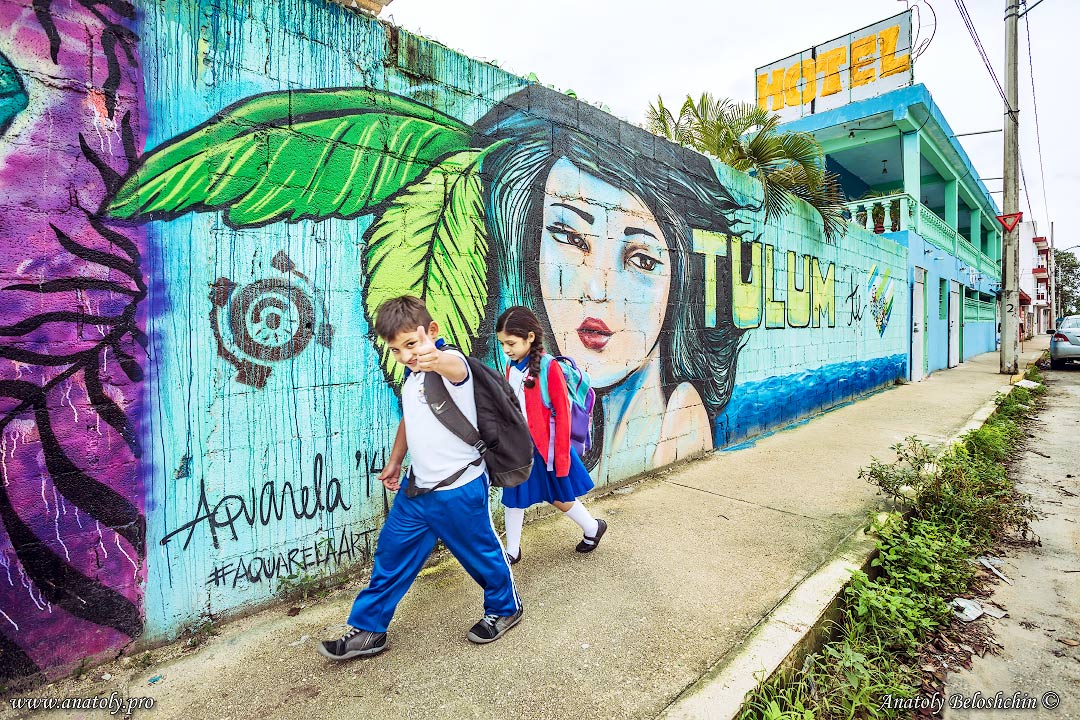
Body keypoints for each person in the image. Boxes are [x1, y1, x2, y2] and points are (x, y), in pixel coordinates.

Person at [475, 86, 756, 484]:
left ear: (679, 286)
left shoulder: (681, 421)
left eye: (642, 259)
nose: (598, 288)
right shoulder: (593, 425)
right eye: (570, 238)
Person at [318, 295, 521, 660]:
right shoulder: (413, 378)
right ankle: (369, 630)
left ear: (431, 332)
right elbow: (411, 420)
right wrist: (396, 461)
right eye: (396, 350)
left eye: (410, 344)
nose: (405, 355)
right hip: (416, 491)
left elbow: (454, 367)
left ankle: (505, 608)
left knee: (482, 555)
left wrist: (433, 357)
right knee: (391, 556)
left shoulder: (452, 364)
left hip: (459, 490)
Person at [495, 306, 607, 564]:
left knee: (560, 497)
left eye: (511, 343)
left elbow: (563, 415)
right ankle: (512, 551)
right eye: (502, 343)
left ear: (530, 338)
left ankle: (592, 528)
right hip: (519, 447)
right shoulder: (511, 366)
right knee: (513, 497)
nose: (506, 349)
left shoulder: (549, 367)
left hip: (547, 449)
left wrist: (561, 459)